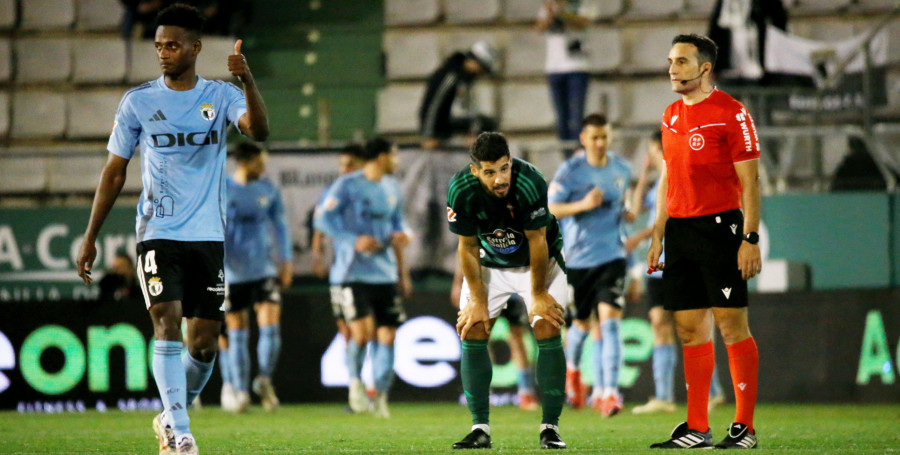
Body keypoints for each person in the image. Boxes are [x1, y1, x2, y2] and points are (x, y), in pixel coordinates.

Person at [75, 4, 268, 454]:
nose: (164, 52)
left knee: (203, 346)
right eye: (159, 45)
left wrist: (248, 82)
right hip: (158, 232)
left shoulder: (220, 96)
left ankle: (169, 417)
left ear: (195, 48)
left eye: (173, 44)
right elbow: (114, 173)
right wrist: (90, 236)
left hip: (208, 235)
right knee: (166, 324)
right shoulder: (139, 101)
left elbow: (257, 131)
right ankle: (182, 434)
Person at [647, 34, 761, 449]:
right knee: (689, 330)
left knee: (731, 327)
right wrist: (658, 232)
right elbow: (668, 177)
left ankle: (744, 427)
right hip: (679, 230)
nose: (672, 68)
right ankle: (697, 427)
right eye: (670, 60)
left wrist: (750, 237)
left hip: (720, 230)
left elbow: (750, 183)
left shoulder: (732, 113)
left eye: (680, 61)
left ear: (704, 68)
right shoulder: (670, 114)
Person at [448, 132, 568, 450]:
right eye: (490, 172)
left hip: (539, 262)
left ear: (510, 161)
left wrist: (539, 293)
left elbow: (538, 240)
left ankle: (550, 428)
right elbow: (467, 247)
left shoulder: (530, 182)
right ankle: (479, 429)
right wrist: (476, 299)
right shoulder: (460, 190)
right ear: (476, 171)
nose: (500, 178)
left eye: (504, 168)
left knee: (546, 324)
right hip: (490, 263)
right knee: (472, 328)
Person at [315, 137, 412, 418]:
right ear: (381, 157)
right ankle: (355, 383)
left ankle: (380, 395)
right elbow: (323, 219)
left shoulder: (392, 187)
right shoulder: (347, 185)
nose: (397, 160)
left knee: (388, 335)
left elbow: (398, 220)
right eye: (394, 154)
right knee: (361, 334)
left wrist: (402, 234)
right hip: (351, 272)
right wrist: (352, 240)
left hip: (384, 272)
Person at [547, 113, 635, 417]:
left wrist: (626, 213)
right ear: (584, 139)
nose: (600, 143)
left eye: (604, 137)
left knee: (610, 322)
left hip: (612, 257)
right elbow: (551, 209)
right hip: (578, 260)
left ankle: (610, 393)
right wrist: (583, 205)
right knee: (581, 325)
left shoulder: (622, 168)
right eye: (594, 137)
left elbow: (622, 204)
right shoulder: (570, 172)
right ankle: (572, 369)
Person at [221, 141, 292, 413]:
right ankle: (240, 391)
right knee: (238, 333)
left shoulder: (268, 189)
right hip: (232, 272)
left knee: (271, 327)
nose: (264, 165)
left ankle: (263, 379)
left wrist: (285, 260)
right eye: (260, 161)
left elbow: (281, 226)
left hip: (264, 269)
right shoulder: (223, 189)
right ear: (245, 161)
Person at [450, 264, 539, 411]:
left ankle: (526, 393)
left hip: (512, 286)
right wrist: (458, 283)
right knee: (481, 339)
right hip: (484, 287)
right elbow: (464, 250)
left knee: (517, 338)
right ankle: (482, 394)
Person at [535, 1, 599, 142]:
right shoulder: (548, 6)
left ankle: (578, 151)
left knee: (576, 117)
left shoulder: (581, 5)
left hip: (577, 67)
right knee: (561, 118)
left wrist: (560, 12)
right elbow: (539, 28)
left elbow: (582, 23)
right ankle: (567, 156)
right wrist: (550, 14)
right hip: (554, 68)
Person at [419, 41, 499, 150]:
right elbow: (433, 105)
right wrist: (429, 135)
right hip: (440, 125)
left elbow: (470, 109)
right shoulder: (450, 76)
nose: (481, 74)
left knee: (487, 124)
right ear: (473, 61)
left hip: (449, 121)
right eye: (481, 68)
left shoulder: (464, 78)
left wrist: (473, 133)